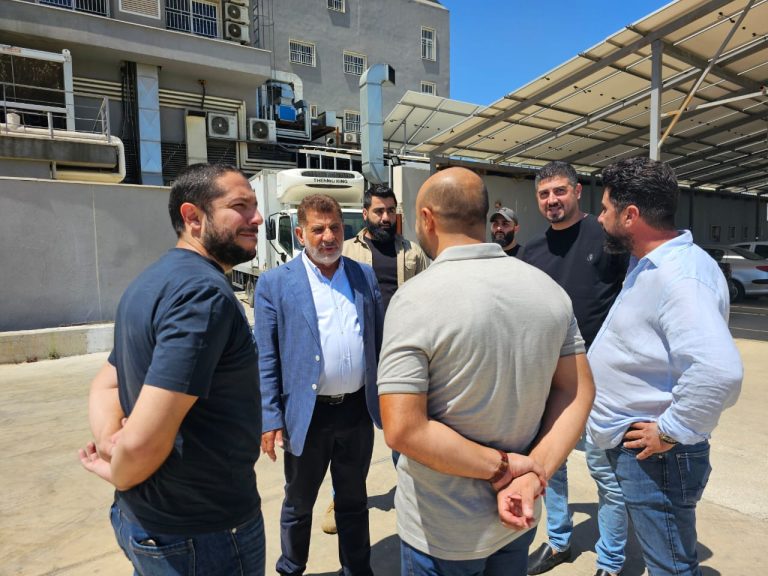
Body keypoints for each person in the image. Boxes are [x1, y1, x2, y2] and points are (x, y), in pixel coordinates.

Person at [377, 166, 595, 576]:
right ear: (481, 215)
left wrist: (503, 468)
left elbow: (403, 428)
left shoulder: (414, 300)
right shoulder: (549, 291)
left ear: (426, 219)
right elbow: (578, 392)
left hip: (441, 532)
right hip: (520, 516)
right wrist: (533, 474)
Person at [78, 163, 266, 575]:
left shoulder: (151, 282)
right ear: (193, 217)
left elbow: (105, 385)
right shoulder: (203, 295)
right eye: (240, 206)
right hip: (201, 534)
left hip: (145, 519)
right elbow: (143, 442)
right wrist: (119, 470)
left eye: (255, 206)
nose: (257, 218)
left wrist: (110, 443)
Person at [588, 156, 743, 576]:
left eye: (605, 209)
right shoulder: (652, 264)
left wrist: (670, 431)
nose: (600, 218)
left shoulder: (680, 276)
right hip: (645, 452)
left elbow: (718, 372)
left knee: (671, 567)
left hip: (657, 457)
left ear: (630, 215)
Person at [254, 193, 383, 576]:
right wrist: (270, 417)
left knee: (353, 501)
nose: (328, 237)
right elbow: (266, 358)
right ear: (300, 234)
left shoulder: (363, 275)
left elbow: (378, 341)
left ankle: (357, 570)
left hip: (356, 411)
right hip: (307, 415)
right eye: (318, 229)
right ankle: (291, 568)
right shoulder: (276, 284)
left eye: (335, 228)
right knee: (299, 503)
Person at [523, 160, 629, 576]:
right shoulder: (531, 251)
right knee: (551, 465)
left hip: (600, 379)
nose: (552, 200)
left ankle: (611, 560)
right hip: (549, 377)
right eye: (544, 194)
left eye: (559, 191)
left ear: (577, 190)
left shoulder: (608, 238)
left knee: (605, 471)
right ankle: (559, 541)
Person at [343, 183, 428, 315]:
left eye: (391, 211)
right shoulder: (346, 252)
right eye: (379, 211)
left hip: (402, 324)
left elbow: (424, 295)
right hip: (364, 326)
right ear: (365, 214)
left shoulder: (413, 252)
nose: (386, 218)